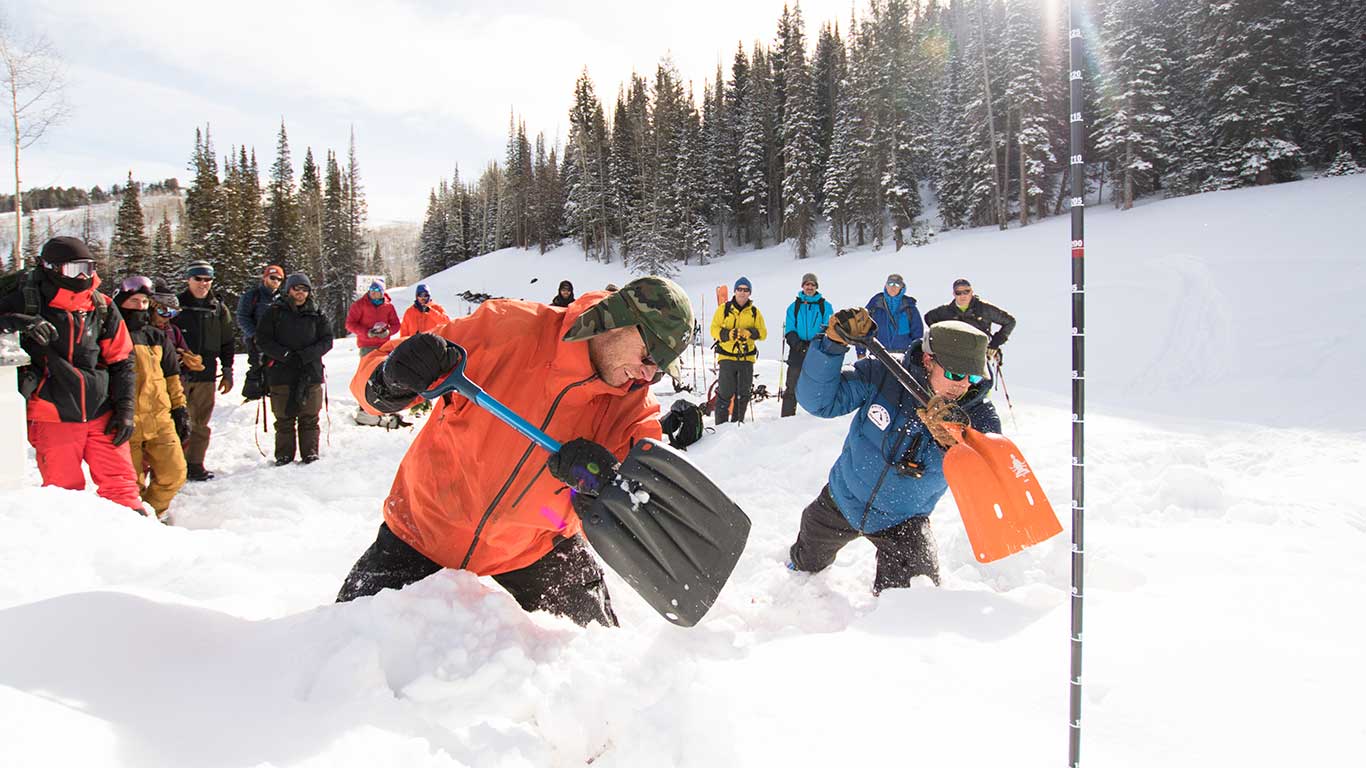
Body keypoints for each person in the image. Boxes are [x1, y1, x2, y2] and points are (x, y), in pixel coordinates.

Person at [335, 276, 694, 627]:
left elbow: (640, 495)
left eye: (659, 370)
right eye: (648, 357)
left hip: (535, 542)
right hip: (426, 526)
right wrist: (390, 379)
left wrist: (604, 481)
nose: (647, 375)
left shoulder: (632, 407)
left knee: (599, 655)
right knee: (344, 642)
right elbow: (376, 378)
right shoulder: (507, 328)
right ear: (617, 322)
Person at [788, 315, 1000, 593]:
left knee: (913, 601)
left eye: (972, 377)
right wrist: (832, 345)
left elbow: (987, 473)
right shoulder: (884, 374)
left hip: (903, 521)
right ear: (928, 360)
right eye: (955, 374)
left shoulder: (977, 415)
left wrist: (956, 440)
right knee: (806, 560)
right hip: (843, 497)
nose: (963, 385)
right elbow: (819, 403)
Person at [0, 237, 141, 512]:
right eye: (73, 269)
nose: (83, 276)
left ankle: (132, 546)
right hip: (51, 412)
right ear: (51, 268)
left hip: (101, 412)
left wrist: (125, 409)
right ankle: (70, 550)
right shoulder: (28, 300)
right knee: (63, 496)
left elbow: (122, 360)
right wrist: (18, 322)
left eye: (88, 268)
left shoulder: (101, 305)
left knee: (123, 487)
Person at [114, 275, 190, 522]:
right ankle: (135, 522)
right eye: (134, 301)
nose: (140, 307)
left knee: (175, 473)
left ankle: (149, 514)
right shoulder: (110, 335)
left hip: (160, 419)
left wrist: (180, 409)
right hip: (125, 423)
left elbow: (172, 377)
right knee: (130, 482)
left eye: (145, 302)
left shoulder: (157, 337)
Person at [255, 273, 334, 466]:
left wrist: (306, 355)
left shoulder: (317, 313)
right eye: (296, 289)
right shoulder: (274, 312)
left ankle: (310, 454)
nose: (300, 293)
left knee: (310, 416)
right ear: (288, 290)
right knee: (284, 418)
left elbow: (327, 340)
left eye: (304, 289)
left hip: (310, 371)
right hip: (281, 371)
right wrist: (285, 355)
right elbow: (262, 340)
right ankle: (284, 455)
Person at [172, 260, 236, 481]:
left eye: (207, 279)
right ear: (189, 279)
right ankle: (173, 465)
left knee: (200, 422)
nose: (203, 284)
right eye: (198, 279)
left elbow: (228, 341)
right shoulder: (176, 306)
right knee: (176, 420)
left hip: (207, 374)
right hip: (176, 374)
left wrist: (228, 370)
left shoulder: (218, 308)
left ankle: (195, 464)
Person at [709, 276, 767, 424]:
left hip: (746, 359)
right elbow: (713, 329)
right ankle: (721, 426)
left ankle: (737, 424)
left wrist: (750, 333)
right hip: (727, 358)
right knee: (725, 394)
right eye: (739, 289)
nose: (742, 293)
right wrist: (728, 334)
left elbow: (763, 333)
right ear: (734, 291)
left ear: (750, 293)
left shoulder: (754, 312)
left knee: (743, 394)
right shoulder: (724, 309)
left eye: (746, 290)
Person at [345, 278, 401, 427]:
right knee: (366, 377)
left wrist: (388, 331)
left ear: (383, 293)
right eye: (372, 291)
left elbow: (396, 324)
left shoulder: (388, 306)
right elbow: (350, 324)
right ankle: (365, 407)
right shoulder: (359, 305)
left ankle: (385, 406)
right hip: (367, 346)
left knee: (385, 376)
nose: (374, 294)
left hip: (384, 346)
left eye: (378, 291)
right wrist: (366, 333)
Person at [923, 278, 1016, 367]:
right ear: (954, 294)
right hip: (955, 353)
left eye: (966, 291)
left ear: (971, 292)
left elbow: (1010, 322)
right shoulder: (946, 310)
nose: (962, 295)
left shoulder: (984, 308)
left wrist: (995, 343)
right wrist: (942, 338)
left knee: (983, 382)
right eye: (958, 293)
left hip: (980, 353)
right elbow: (928, 318)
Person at [780, 272, 833, 418]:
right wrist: (799, 345)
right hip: (797, 351)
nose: (809, 287)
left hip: (817, 351)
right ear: (802, 286)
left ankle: (816, 420)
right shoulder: (794, 307)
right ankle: (786, 418)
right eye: (807, 284)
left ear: (816, 287)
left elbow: (829, 327)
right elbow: (790, 329)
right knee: (792, 385)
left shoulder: (825, 306)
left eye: (812, 284)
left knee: (818, 386)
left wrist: (816, 344)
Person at [235, 264, 284, 401]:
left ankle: (271, 392)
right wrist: (254, 334)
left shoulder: (282, 298)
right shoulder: (252, 296)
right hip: (256, 338)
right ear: (265, 278)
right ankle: (252, 396)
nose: (276, 281)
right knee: (257, 365)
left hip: (277, 340)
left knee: (275, 366)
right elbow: (242, 317)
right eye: (272, 277)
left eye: (279, 279)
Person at [856, 273, 923, 359]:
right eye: (890, 284)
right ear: (886, 286)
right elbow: (863, 328)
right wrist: (861, 352)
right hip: (878, 355)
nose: (893, 287)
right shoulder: (875, 305)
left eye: (897, 284)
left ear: (902, 287)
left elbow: (917, 334)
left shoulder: (909, 307)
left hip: (903, 357)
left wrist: (916, 355)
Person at [148, 277, 202, 382]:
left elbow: (187, 354)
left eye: (173, 312)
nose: (167, 317)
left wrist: (186, 360)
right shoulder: (141, 332)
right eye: (163, 311)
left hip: (174, 382)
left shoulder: (173, 330)